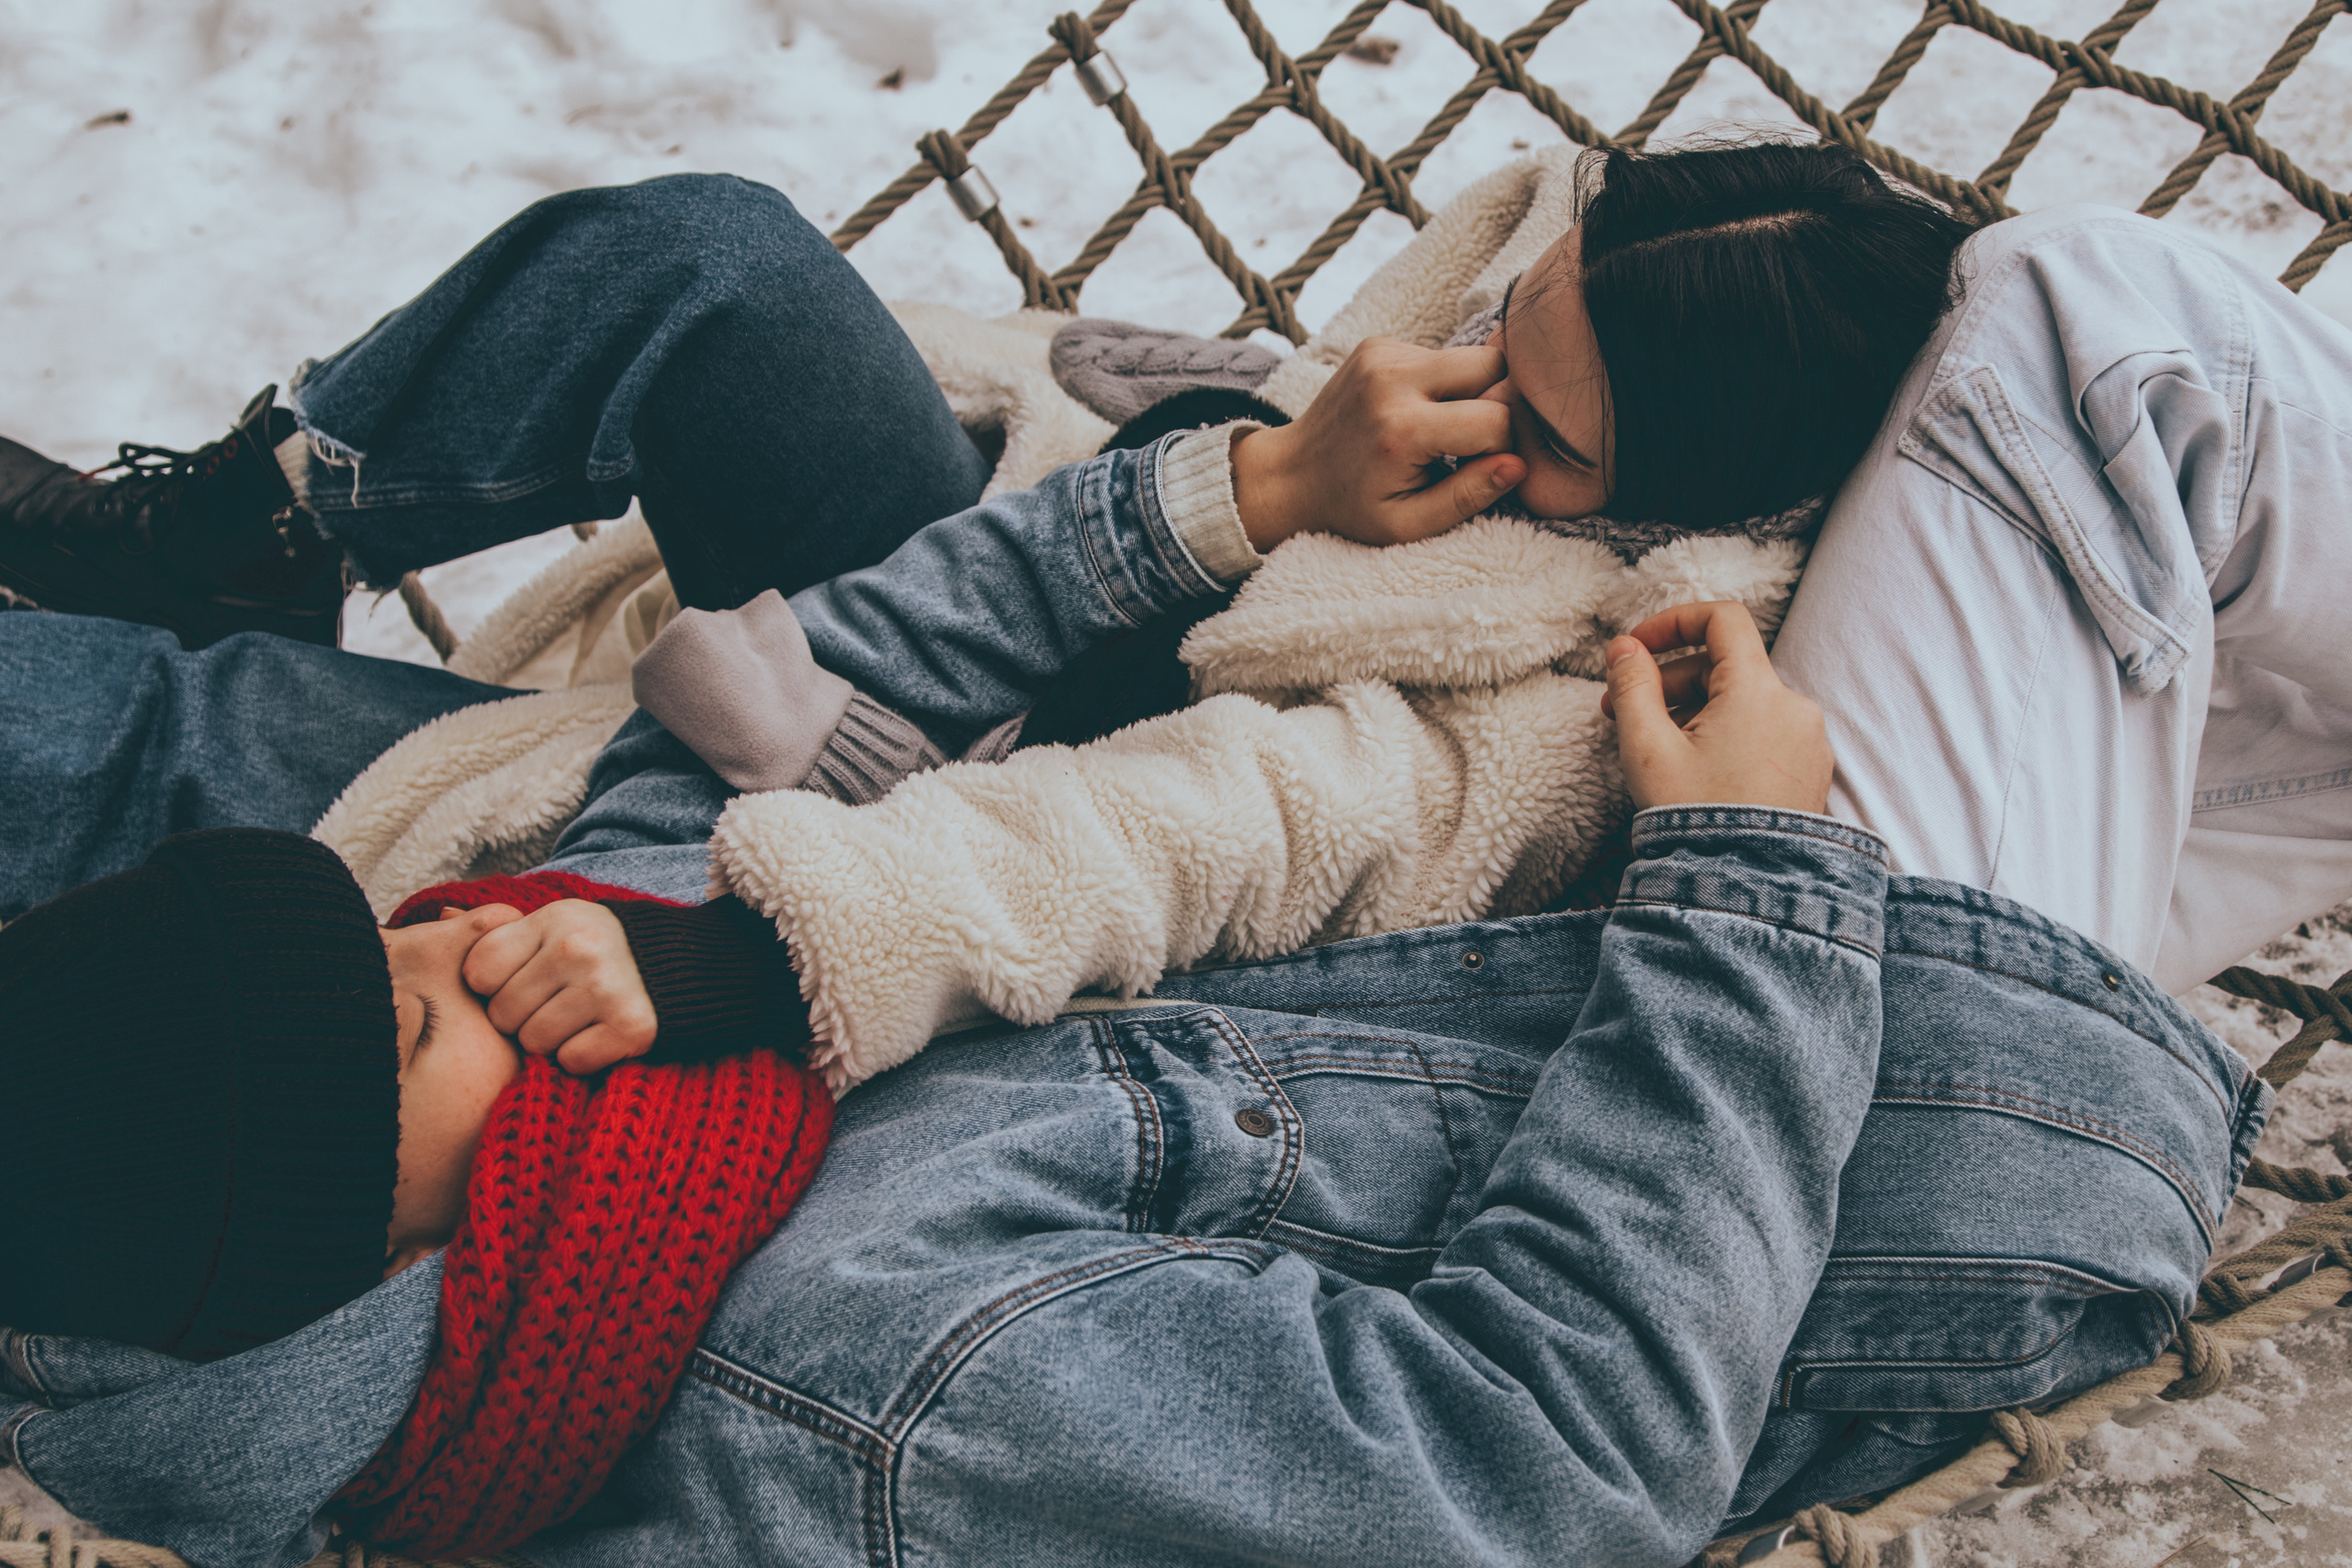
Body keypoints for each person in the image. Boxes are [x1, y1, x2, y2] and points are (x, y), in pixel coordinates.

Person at [0, 148, 2321, 1560]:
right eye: (403, 1010)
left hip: (1685, 965)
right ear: (342, 1237)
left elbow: (785, 719)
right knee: (2093, 321)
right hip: (1924, 1071)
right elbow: (1553, 1464)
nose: (447, 939)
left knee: (2182, 613)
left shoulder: (595, 1031)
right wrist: (1740, 873)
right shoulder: (870, 1396)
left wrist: (1248, 496)